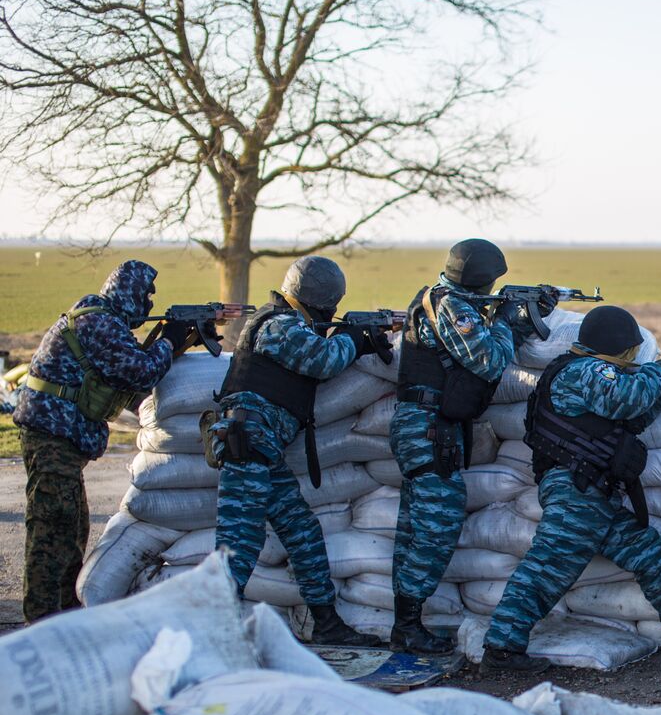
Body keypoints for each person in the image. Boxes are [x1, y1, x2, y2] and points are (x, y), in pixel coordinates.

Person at [481, 305, 661, 672]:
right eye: (632, 351)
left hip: (591, 493)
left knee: (647, 552)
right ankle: (501, 651)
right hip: (575, 491)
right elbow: (628, 398)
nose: (636, 356)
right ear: (619, 347)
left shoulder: (592, 374)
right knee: (546, 570)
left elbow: (632, 417)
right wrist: (656, 370)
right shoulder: (583, 371)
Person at [207, 256, 387, 647]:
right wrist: (356, 337)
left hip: (263, 449)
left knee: (302, 531)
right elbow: (324, 360)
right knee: (238, 542)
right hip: (248, 443)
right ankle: (210, 635)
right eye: (333, 305)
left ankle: (326, 623)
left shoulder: (290, 323)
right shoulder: (279, 325)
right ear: (321, 301)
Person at [390, 239, 554, 654]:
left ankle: (404, 623)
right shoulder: (452, 307)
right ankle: (408, 626)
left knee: (416, 527)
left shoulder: (444, 299)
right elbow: (491, 361)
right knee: (436, 526)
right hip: (427, 428)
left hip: (426, 425)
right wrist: (509, 322)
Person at [14, 260, 192, 621]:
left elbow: (133, 371)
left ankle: (61, 609)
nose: (147, 303)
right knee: (54, 525)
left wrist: (173, 341)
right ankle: (42, 617)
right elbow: (138, 372)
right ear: (128, 294)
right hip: (50, 432)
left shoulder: (104, 321)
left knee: (72, 524)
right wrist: (170, 341)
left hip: (57, 432)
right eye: (145, 295)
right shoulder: (98, 322)